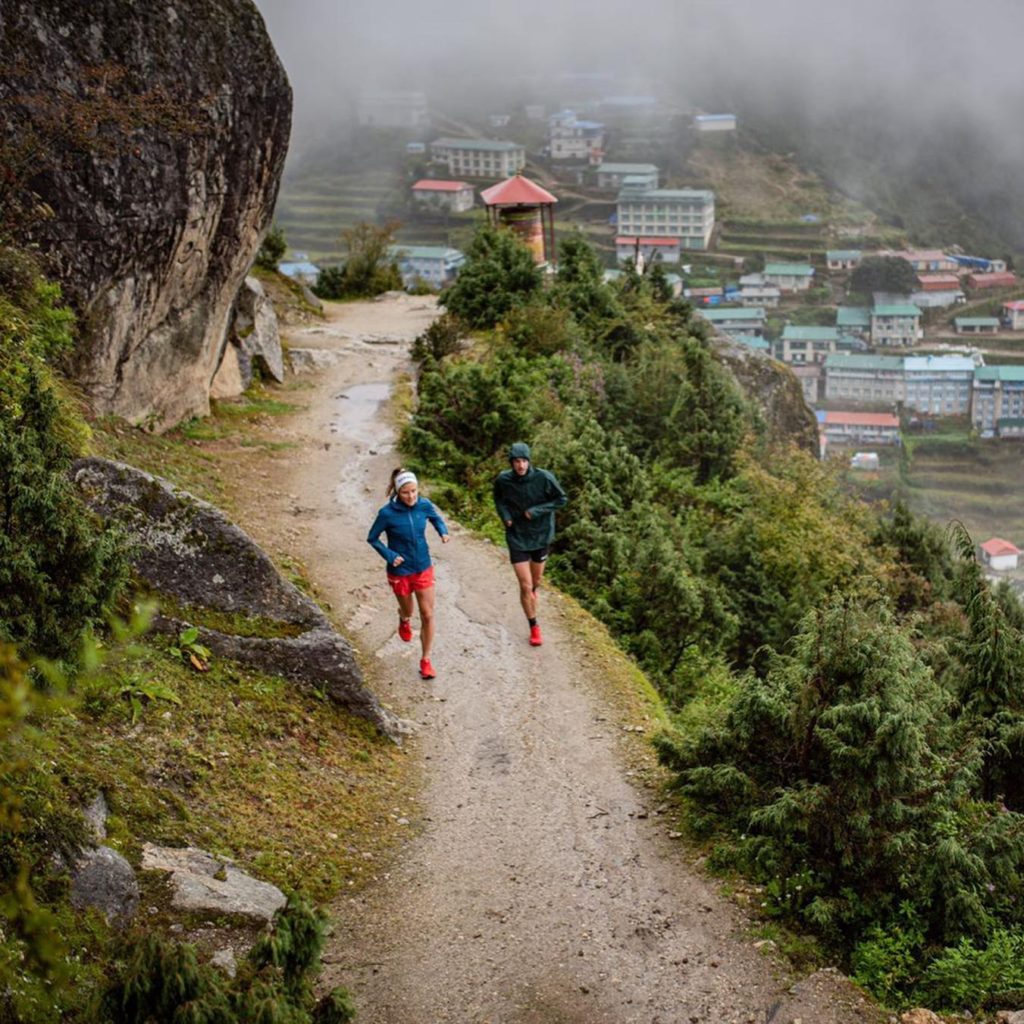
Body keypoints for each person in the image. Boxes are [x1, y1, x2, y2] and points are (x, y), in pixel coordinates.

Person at [367, 468, 450, 679]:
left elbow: (436, 518)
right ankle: (403, 619)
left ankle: (426, 660)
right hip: (400, 570)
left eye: (414, 491)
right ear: (397, 492)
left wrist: (443, 531)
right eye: (406, 493)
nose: (411, 496)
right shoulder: (387, 514)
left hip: (422, 566)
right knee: (409, 610)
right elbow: (373, 538)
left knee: (428, 614)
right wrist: (389, 554)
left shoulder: (424, 504)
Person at [492, 442, 567, 647]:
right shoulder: (504, 480)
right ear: (511, 462)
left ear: (529, 461)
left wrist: (536, 511)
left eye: (524, 461)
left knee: (535, 582)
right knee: (525, 585)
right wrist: (505, 516)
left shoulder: (544, 478)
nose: (521, 465)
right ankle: (534, 625)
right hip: (516, 536)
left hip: (540, 536)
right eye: (517, 461)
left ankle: (531, 595)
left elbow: (561, 499)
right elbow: (499, 499)